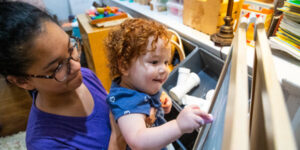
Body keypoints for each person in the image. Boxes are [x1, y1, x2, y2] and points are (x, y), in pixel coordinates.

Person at [0, 2, 125, 149]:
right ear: (22, 81)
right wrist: (118, 137)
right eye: (57, 67)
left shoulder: (86, 76)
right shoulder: (45, 144)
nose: (77, 66)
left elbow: (111, 103)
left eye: (71, 48)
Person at [105, 18, 214, 150]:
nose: (165, 69)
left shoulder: (142, 85)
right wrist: (178, 125)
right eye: (154, 62)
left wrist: (162, 101)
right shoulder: (125, 100)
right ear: (124, 66)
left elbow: (154, 95)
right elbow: (138, 140)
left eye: (166, 62)